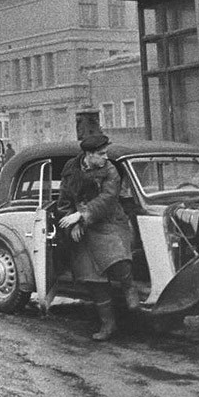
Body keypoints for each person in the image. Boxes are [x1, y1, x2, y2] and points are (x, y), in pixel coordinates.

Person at [56, 133, 140, 341]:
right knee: (93, 278)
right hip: (83, 226)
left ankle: (129, 287)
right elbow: (64, 201)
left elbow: (108, 198)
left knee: (118, 258)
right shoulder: (71, 169)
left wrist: (83, 216)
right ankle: (108, 324)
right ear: (89, 155)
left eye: (106, 153)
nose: (105, 157)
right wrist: (73, 223)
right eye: (101, 154)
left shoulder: (110, 170)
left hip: (109, 220)